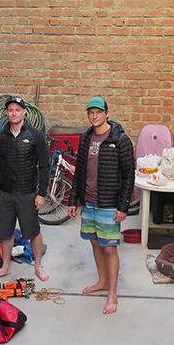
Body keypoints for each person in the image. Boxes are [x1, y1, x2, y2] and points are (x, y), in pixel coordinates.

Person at [68, 97, 135, 314]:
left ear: (107, 113)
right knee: (95, 243)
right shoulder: (86, 138)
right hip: (88, 201)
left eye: (98, 112)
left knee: (109, 248)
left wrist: (123, 206)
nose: (94, 116)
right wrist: (73, 200)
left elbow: (128, 175)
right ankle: (103, 281)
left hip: (108, 202)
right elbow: (79, 171)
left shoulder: (120, 140)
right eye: (91, 113)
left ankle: (112, 294)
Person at [0, 96, 51, 281]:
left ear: (24, 112)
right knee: (5, 232)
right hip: (6, 193)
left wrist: (41, 194)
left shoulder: (35, 135)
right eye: (10, 110)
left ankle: (38, 266)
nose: (14, 113)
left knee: (33, 232)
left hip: (27, 193)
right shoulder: (1, 137)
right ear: (6, 113)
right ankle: (6, 266)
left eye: (17, 110)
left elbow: (44, 166)